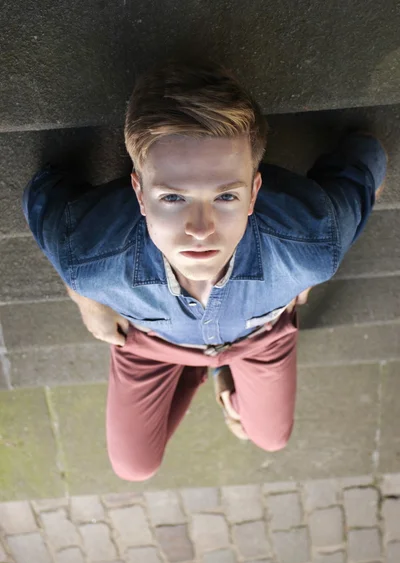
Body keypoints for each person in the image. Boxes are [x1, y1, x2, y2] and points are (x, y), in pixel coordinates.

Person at [22, 58, 388, 481]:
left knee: (270, 438)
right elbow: (40, 195)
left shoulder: (311, 245)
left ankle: (218, 368)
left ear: (254, 192)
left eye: (226, 197)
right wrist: (82, 295)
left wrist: (297, 272)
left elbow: (368, 157)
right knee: (133, 467)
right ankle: (204, 368)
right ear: (139, 192)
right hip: (156, 343)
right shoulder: (87, 258)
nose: (200, 230)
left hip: (258, 339)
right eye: (173, 198)